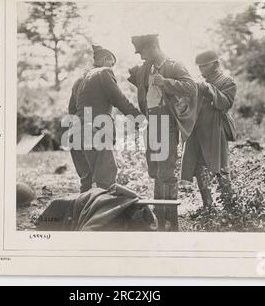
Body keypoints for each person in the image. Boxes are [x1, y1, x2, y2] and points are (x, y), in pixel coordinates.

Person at [128, 34, 198, 231]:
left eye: (142, 51)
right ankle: (161, 220)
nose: (141, 56)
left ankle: (171, 223)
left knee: (166, 172)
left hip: (167, 121)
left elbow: (191, 88)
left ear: (153, 47)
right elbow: (141, 85)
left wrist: (165, 82)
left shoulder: (174, 66)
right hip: (152, 121)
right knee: (155, 171)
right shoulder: (145, 68)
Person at [68, 44, 142, 193]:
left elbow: (71, 110)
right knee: (105, 181)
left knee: (86, 182)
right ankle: (105, 216)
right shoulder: (104, 72)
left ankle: (83, 215)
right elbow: (119, 100)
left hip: (74, 133)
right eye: (111, 63)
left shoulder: (78, 80)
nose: (112, 67)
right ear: (104, 59)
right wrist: (140, 119)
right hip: (95, 132)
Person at [181, 50, 236, 209]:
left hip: (215, 129)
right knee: (198, 167)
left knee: (220, 167)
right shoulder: (197, 81)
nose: (201, 70)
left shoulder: (227, 81)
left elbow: (226, 103)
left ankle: (229, 205)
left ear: (216, 64)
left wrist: (210, 89)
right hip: (196, 130)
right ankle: (208, 205)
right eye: (199, 67)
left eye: (205, 66)